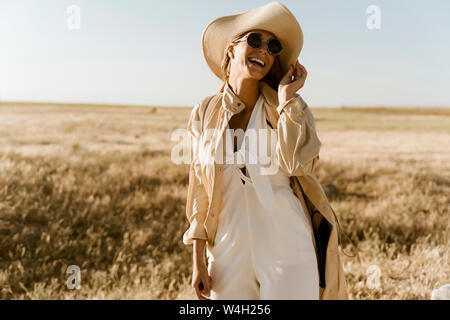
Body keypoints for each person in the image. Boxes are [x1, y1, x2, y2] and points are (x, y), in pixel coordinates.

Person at [183, 2, 349, 300]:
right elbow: (200, 189)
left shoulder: (288, 108)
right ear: (231, 50)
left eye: (273, 47)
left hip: (287, 247)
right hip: (227, 249)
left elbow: (298, 165)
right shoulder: (205, 111)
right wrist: (198, 260)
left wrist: (287, 101)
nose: (264, 51)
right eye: (255, 40)